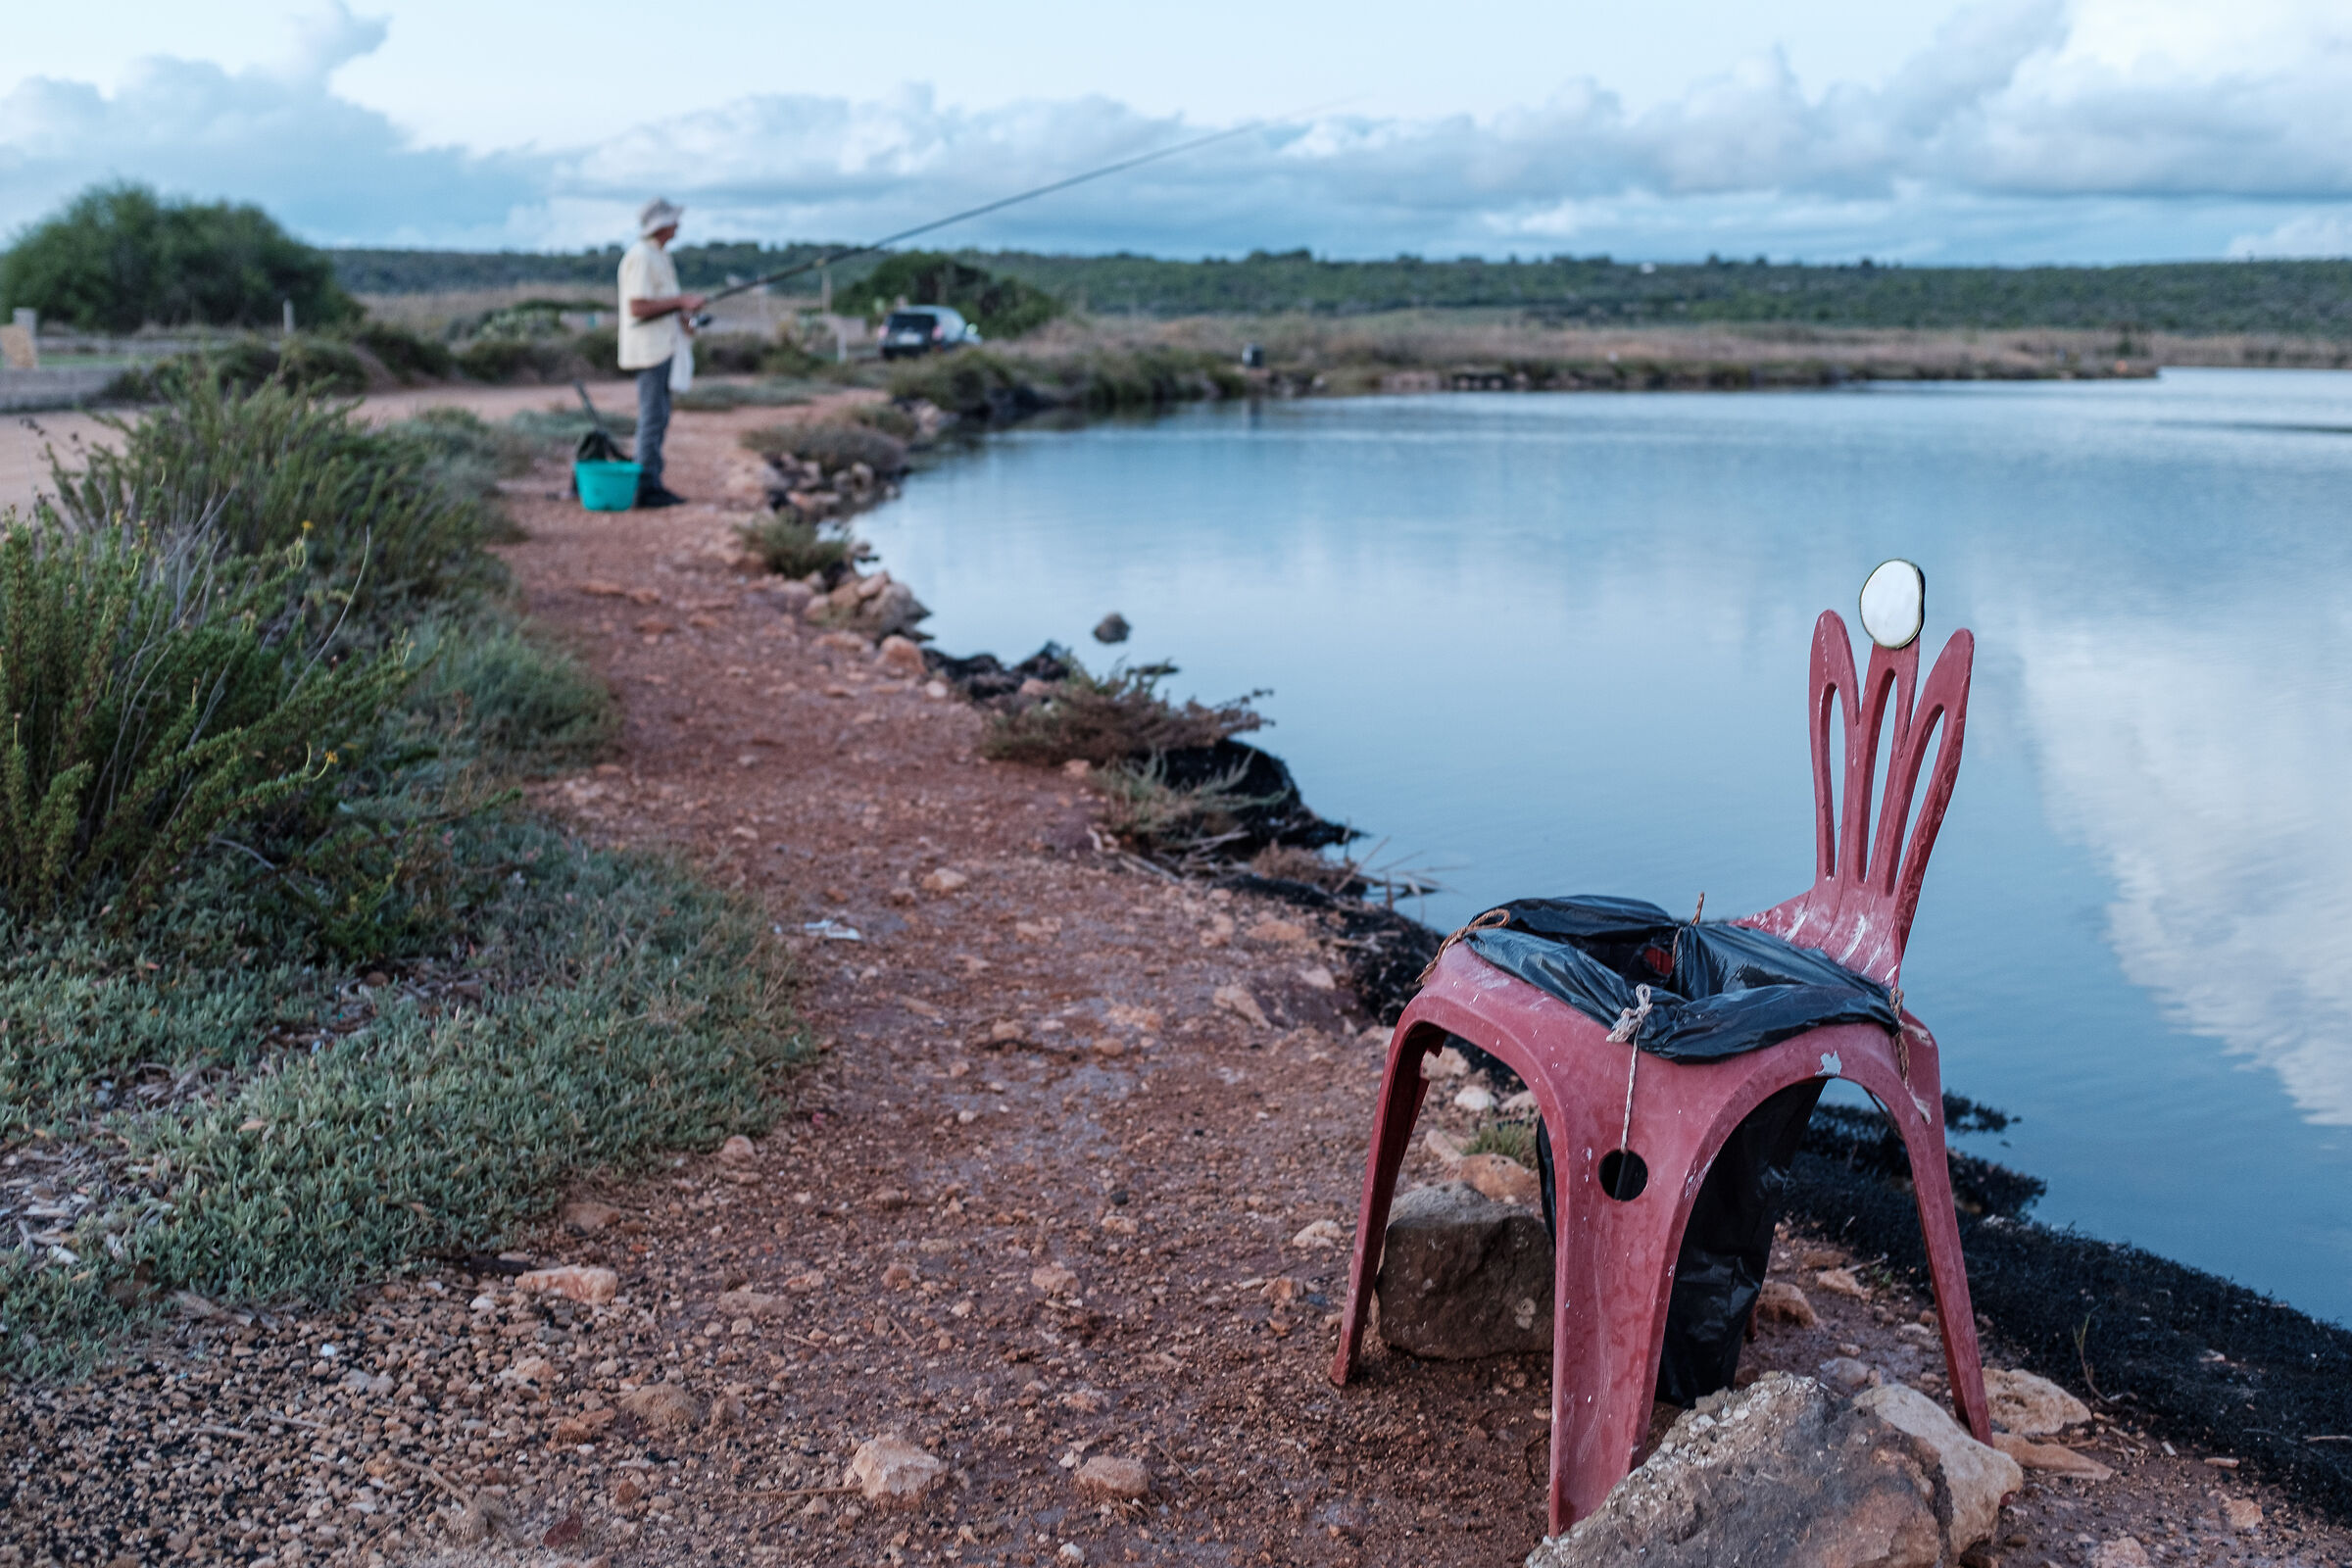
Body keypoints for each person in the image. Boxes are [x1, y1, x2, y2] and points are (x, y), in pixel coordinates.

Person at [616, 198, 707, 509]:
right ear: (662, 225)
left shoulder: (659, 257)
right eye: (674, 221)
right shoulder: (641, 256)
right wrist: (681, 302)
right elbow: (638, 307)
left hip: (664, 347)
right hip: (650, 350)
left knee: (658, 417)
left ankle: (651, 481)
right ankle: (645, 487)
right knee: (652, 419)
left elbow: (662, 303)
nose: (678, 226)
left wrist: (685, 315)